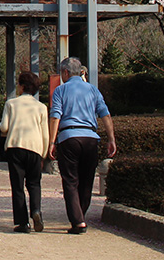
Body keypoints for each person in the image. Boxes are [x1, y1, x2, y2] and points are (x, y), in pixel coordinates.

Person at [48, 57, 117, 234]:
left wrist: (51, 142)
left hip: (69, 137)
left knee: (70, 181)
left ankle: (78, 221)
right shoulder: (93, 90)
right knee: (87, 180)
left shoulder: (60, 91)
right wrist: (111, 139)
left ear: (65, 72)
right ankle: (81, 216)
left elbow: (56, 116)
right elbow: (105, 115)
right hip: (90, 138)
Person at [0, 70, 49, 233]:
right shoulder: (41, 107)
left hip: (15, 147)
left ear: (21, 86)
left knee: (18, 186)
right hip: (35, 148)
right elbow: (45, 134)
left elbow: (4, 128)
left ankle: (23, 222)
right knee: (34, 183)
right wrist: (44, 153)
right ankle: (36, 211)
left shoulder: (11, 104)